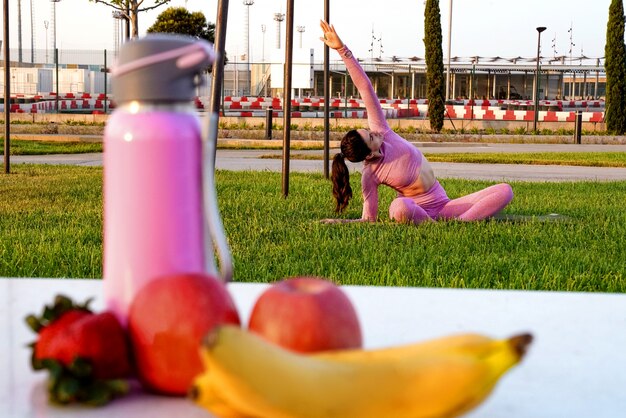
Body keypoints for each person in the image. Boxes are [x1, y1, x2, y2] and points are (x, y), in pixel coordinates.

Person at [319, 20, 513, 225]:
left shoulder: (382, 130)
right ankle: (445, 226)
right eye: (370, 137)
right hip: (415, 210)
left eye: (368, 130)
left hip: (443, 205)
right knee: (398, 207)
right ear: (369, 154)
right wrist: (340, 222)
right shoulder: (370, 175)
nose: (374, 132)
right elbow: (369, 219)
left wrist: (342, 50)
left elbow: (365, 88)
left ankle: (459, 223)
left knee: (505, 191)